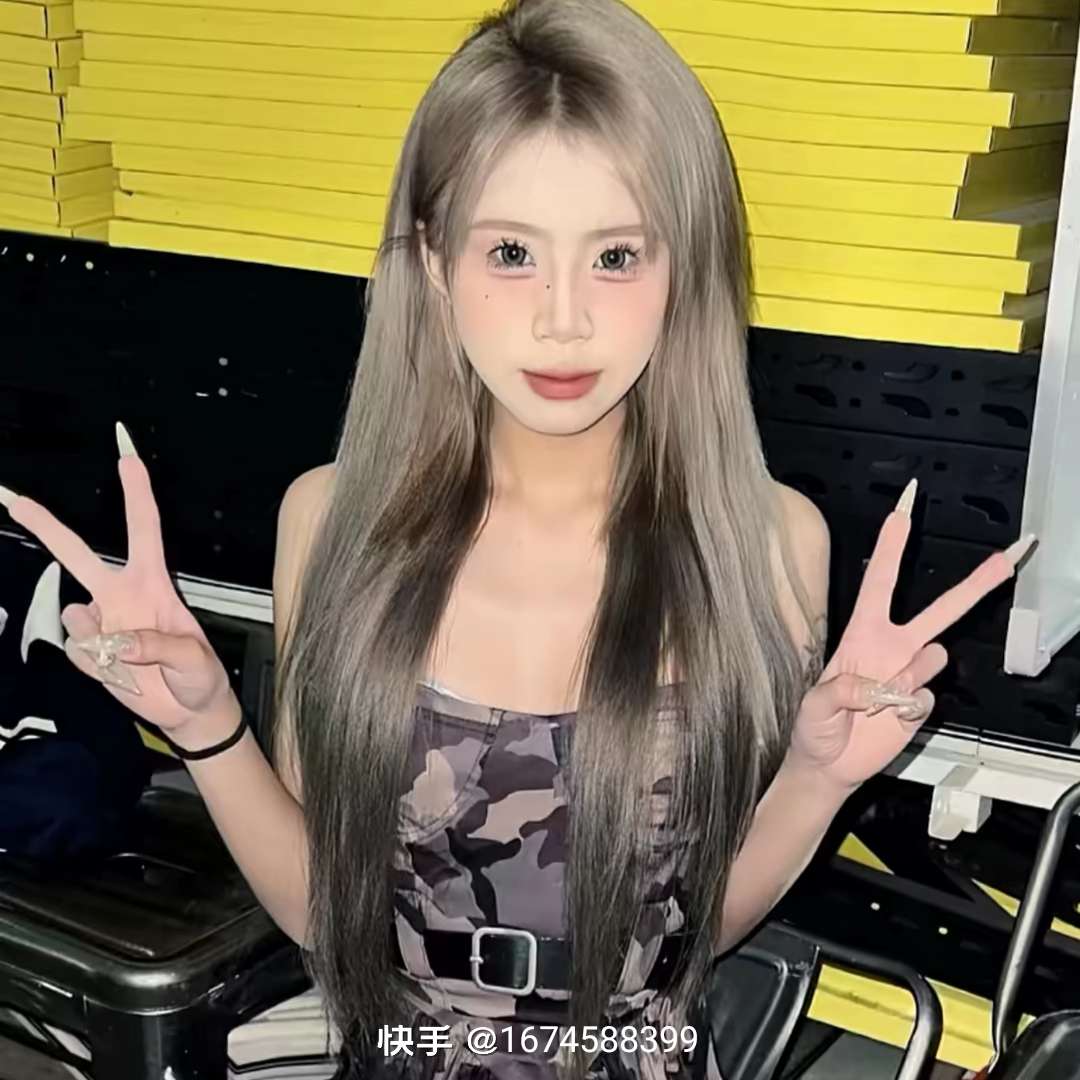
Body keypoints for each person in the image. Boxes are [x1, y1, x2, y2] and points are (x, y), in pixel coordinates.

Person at [0, 0, 1036, 1077]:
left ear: (685, 268)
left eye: (617, 256)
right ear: (432, 261)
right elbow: (325, 915)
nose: (562, 319)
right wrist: (208, 726)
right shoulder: (332, 523)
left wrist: (818, 779)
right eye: (510, 252)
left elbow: (689, 944)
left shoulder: (767, 546)